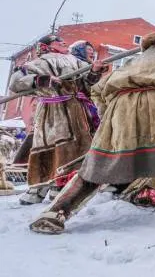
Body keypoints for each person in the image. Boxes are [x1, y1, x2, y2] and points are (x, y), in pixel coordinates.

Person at [30, 29, 155, 234]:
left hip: (120, 108)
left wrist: (112, 113)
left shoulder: (132, 62)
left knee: (98, 162)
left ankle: (55, 213)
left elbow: (99, 90)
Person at [8, 35, 105, 205]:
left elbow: (87, 85)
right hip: (49, 111)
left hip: (75, 109)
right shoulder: (36, 64)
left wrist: (94, 71)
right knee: (45, 147)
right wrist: (43, 80)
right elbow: (15, 83)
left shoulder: (76, 62)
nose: (63, 42)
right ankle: (39, 187)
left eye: (63, 41)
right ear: (46, 46)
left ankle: (62, 186)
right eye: (58, 41)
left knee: (75, 148)